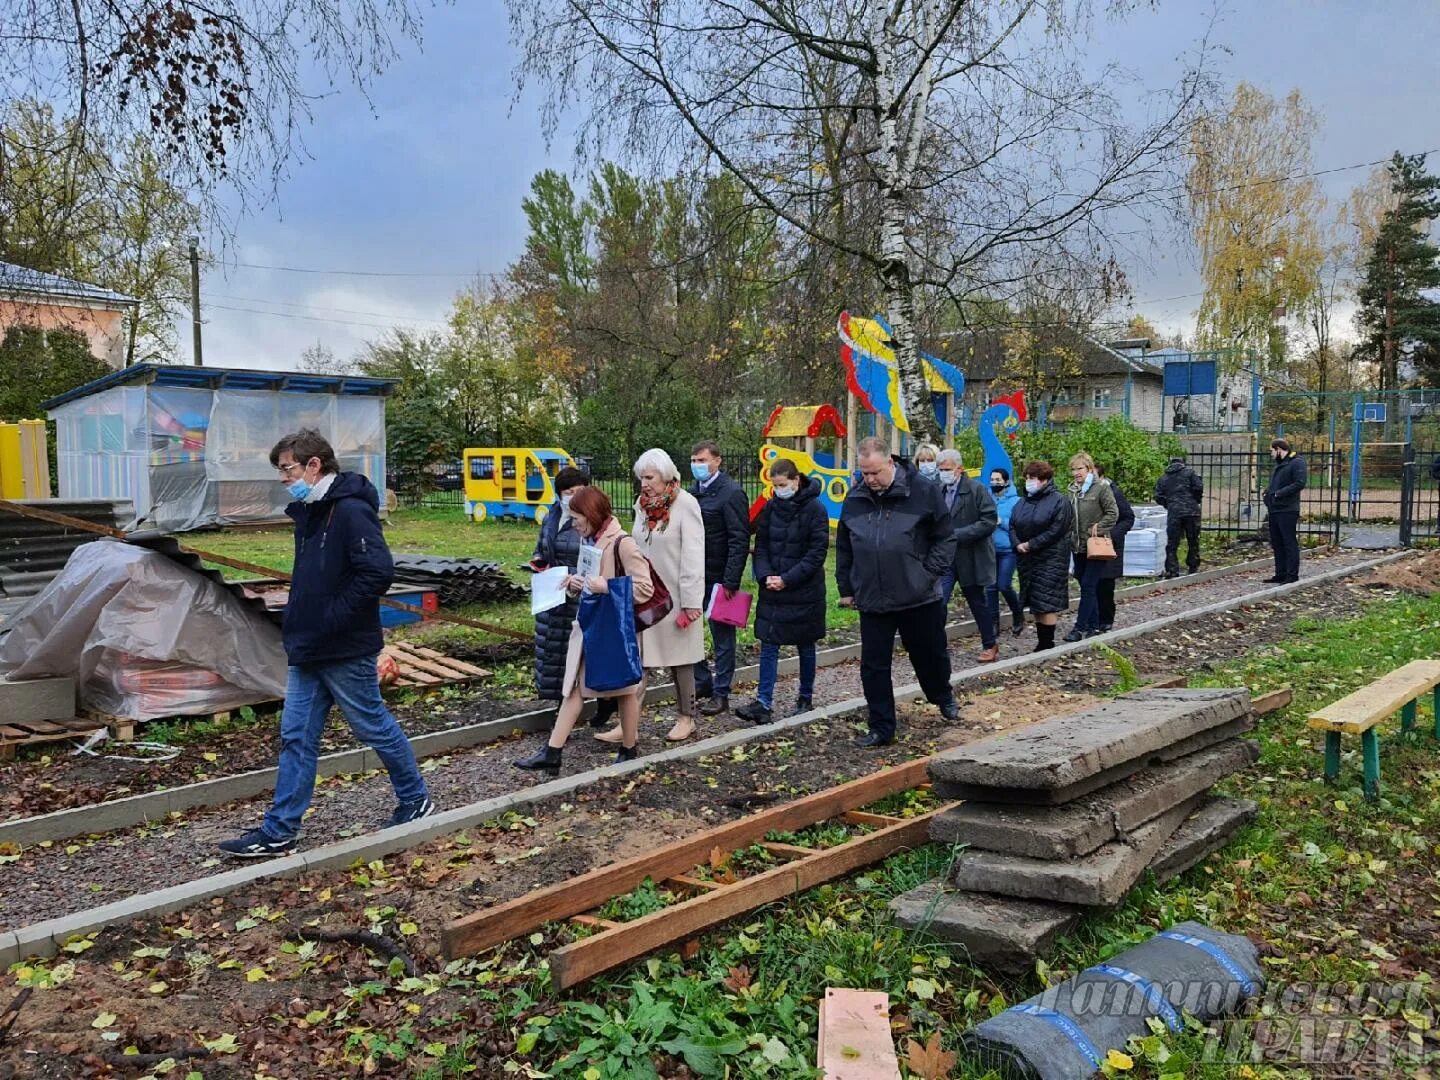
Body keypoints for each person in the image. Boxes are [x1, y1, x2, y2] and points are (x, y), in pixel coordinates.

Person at [219, 430, 433, 857]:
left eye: (287, 469)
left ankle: (416, 799)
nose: (283, 478)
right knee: (296, 735)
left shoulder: (350, 511)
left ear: (313, 465)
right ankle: (280, 829)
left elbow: (377, 572)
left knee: (370, 724)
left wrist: (332, 618)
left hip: (343, 646)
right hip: (309, 647)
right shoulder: (312, 511)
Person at [514, 487, 651, 775]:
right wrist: (578, 582)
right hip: (591, 626)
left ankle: (629, 747)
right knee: (575, 688)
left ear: (591, 515)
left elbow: (644, 588)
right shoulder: (591, 540)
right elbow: (592, 579)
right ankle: (553, 752)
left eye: (577, 518)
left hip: (613, 631)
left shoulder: (622, 543)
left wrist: (607, 586)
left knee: (624, 690)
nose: (574, 524)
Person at [836, 437, 958, 748]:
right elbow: (844, 546)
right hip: (873, 596)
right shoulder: (856, 498)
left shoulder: (923, 491)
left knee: (929, 653)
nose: (870, 480)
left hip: (917, 593)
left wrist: (928, 572)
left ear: (890, 463)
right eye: (864, 473)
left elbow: (945, 538)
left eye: (875, 472)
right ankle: (881, 726)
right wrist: (847, 587)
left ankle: (942, 695)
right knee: (873, 665)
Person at [595, 448, 706, 743]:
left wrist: (692, 602)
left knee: (681, 660)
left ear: (665, 475)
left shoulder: (686, 504)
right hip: (647, 595)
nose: (643, 483)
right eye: (640, 477)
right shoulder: (641, 506)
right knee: (638, 660)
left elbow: (694, 555)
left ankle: (687, 718)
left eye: (649, 477)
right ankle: (628, 724)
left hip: (678, 598)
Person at [735, 459, 829, 724]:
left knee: (805, 644)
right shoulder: (771, 507)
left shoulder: (815, 509)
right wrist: (765, 575)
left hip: (803, 590)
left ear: (796, 481)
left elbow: (816, 553)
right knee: (769, 643)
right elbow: (761, 545)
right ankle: (763, 702)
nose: (779, 490)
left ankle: (805, 696)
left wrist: (787, 579)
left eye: (783, 485)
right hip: (773, 588)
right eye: (775, 486)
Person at [528, 467, 620, 729]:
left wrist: (574, 577)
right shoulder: (552, 516)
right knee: (555, 653)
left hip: (580, 594)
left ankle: (605, 701)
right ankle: (561, 704)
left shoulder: (590, 519)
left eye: (579, 491)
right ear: (559, 495)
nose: (574, 497)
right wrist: (539, 563)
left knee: (584, 655)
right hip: (554, 593)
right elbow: (542, 547)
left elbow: (596, 559)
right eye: (569, 492)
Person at [688, 441, 751, 716]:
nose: (697, 465)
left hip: (720, 576)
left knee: (722, 635)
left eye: (702, 460)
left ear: (717, 461)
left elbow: (739, 539)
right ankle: (702, 681)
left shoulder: (731, 493)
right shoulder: (692, 494)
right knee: (688, 629)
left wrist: (731, 580)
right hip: (694, 573)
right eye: (694, 460)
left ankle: (722, 691)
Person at [936, 449, 999, 663]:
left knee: (977, 602)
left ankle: (990, 644)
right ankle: (937, 645)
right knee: (938, 601)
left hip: (971, 555)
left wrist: (958, 535)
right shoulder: (938, 490)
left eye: (947, 469)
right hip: (945, 557)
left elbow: (989, 521)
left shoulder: (976, 490)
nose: (943, 473)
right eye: (941, 469)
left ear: (959, 469)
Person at [1010, 460, 1073, 652]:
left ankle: (1047, 643)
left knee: (1047, 602)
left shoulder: (1059, 501)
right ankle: (1042, 641)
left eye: (1033, 478)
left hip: (1050, 558)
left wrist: (1031, 544)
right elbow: (1012, 524)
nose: (1029, 481)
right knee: (1036, 601)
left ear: (1045, 479)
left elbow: (1057, 529)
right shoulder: (1023, 501)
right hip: (1027, 559)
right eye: (1027, 477)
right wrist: (1017, 544)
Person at [1064, 452, 1118, 643]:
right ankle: (1094, 625)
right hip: (1078, 546)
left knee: (1088, 585)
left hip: (1095, 545)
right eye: (1073, 469)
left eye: (1080, 468)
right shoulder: (1072, 490)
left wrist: (1098, 528)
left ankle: (1080, 628)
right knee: (1083, 581)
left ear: (1089, 469)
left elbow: (1113, 513)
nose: (1076, 472)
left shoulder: (1101, 488)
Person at [1094, 464, 1134, 633]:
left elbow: (1128, 518)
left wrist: (1111, 534)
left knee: (1105, 584)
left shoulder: (1113, 493)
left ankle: (1105, 619)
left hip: (1109, 546)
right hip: (1089, 544)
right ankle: (1092, 618)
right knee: (1090, 583)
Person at [986, 467, 1025, 638]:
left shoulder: (1016, 501)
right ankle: (993, 623)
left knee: (1004, 584)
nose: (995, 483)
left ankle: (1018, 613)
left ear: (1006, 481)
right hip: (989, 549)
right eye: (992, 480)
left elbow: (1020, 524)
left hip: (1008, 549)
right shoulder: (987, 499)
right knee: (990, 587)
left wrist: (1001, 521)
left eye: (998, 480)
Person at [1263, 438, 1308, 584]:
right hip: (1275, 508)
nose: (1270, 454)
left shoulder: (1296, 462)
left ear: (1278, 449)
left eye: (1271, 450)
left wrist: (1279, 493)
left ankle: (1292, 575)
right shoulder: (1281, 465)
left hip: (1287, 509)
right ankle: (1280, 573)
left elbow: (1299, 483)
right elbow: (1277, 483)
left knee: (1289, 542)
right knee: (1277, 542)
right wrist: (1268, 494)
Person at [1154, 453, 1203, 578]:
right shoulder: (1190, 473)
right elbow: (1198, 487)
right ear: (1183, 463)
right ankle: (1193, 565)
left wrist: (1169, 504)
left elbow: (1158, 496)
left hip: (1174, 512)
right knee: (1193, 539)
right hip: (1192, 511)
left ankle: (1172, 569)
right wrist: (1195, 500)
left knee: (1172, 542)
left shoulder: (1163, 478)